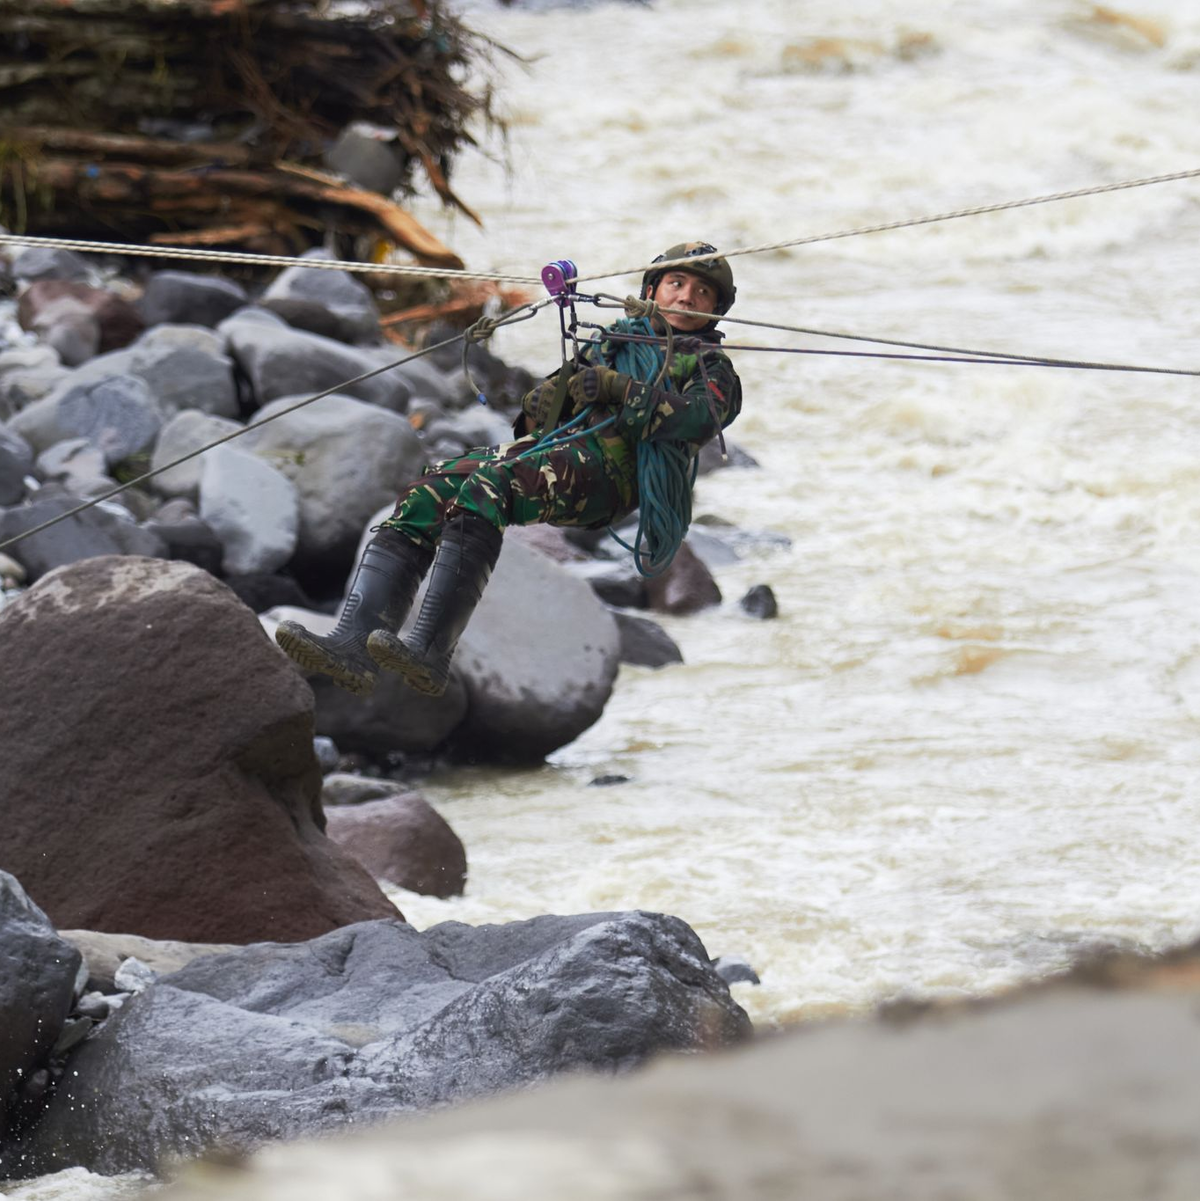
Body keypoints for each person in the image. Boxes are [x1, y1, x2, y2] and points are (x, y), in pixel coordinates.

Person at [275, 241, 744, 698]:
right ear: (651, 291)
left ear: (716, 309)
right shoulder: (610, 345)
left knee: (488, 487)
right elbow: (541, 418)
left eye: (702, 292)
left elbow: (697, 419)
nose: (686, 296)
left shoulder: (711, 369)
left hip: (612, 481)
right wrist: (544, 401)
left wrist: (619, 389)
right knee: (432, 486)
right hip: (562, 456)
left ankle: (431, 651)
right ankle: (353, 644)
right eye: (676, 283)